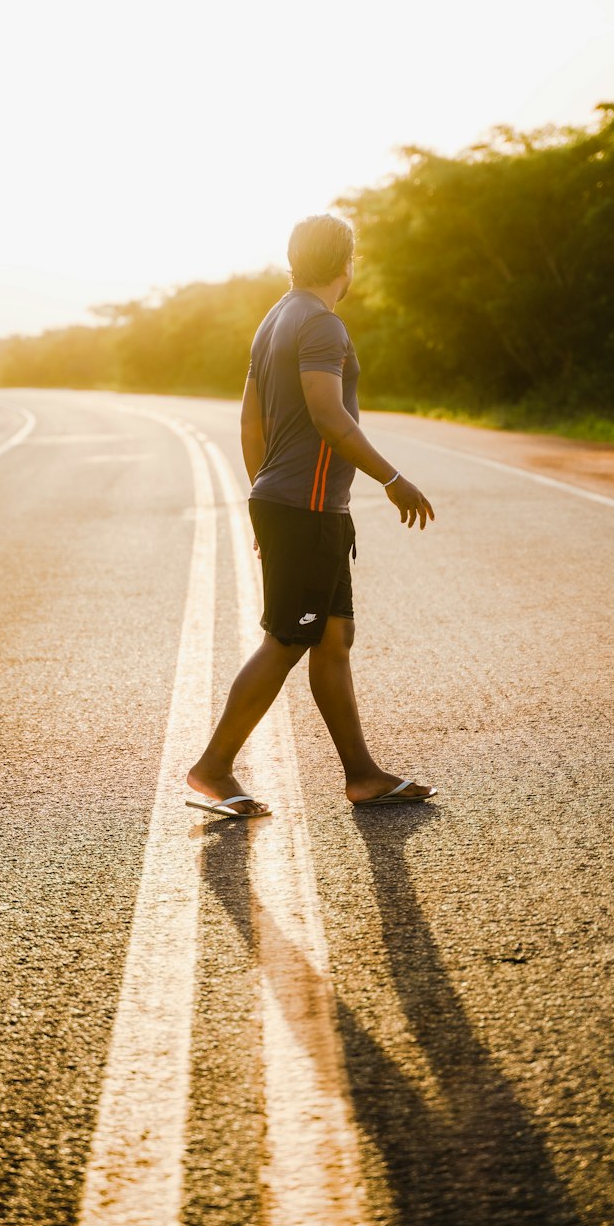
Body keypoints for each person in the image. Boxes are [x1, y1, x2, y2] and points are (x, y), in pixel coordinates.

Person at [186, 213, 436, 818]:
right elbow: (328, 414)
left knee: (332, 636)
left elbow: (251, 421)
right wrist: (393, 479)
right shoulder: (321, 324)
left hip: (293, 501)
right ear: (348, 263)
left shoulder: (274, 319)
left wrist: (262, 494)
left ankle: (362, 776)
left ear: (294, 259)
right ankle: (213, 768)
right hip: (308, 506)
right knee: (287, 639)